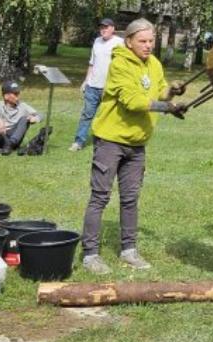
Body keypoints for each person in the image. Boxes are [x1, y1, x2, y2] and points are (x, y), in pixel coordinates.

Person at [80, 17, 187, 274]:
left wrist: (172, 92)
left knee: (130, 198)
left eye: (151, 41)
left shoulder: (154, 64)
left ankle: (129, 250)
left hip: (137, 143)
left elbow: (159, 91)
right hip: (110, 141)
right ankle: (90, 254)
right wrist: (167, 108)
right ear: (129, 42)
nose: (148, 45)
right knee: (100, 197)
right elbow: (132, 101)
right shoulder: (119, 64)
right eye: (143, 41)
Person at [69, 17, 124, 151]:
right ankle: (79, 141)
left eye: (106, 27)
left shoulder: (120, 43)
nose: (103, 30)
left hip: (109, 88)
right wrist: (86, 81)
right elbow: (92, 63)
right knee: (87, 114)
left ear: (113, 28)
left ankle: (108, 142)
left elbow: (123, 66)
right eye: (101, 27)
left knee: (108, 116)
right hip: (93, 86)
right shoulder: (97, 42)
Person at [0, 80, 42, 155]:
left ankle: (10, 145)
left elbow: (41, 114)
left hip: (12, 137)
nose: (18, 96)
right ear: (6, 96)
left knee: (24, 119)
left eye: (18, 93)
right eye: (15, 94)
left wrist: (35, 118)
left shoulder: (23, 106)